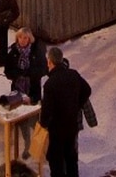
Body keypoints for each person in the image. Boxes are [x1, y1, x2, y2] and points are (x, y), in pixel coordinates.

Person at [39, 46, 91, 177]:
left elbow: (46, 110)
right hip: (72, 125)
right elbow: (87, 90)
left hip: (57, 128)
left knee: (56, 160)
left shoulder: (50, 84)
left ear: (50, 62)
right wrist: (76, 105)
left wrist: (43, 124)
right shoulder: (73, 74)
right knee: (71, 157)